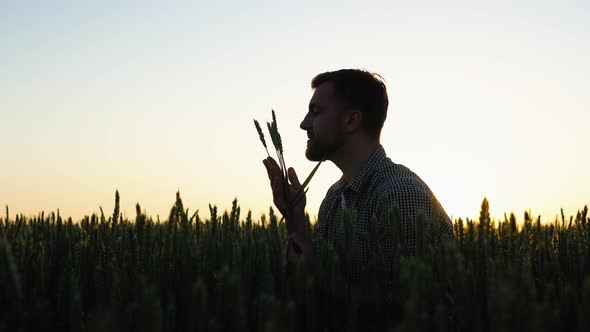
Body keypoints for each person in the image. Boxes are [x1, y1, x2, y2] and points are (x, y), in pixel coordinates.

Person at [263, 69, 454, 329]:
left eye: (316, 112)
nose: (304, 123)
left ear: (351, 121)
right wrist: (296, 221)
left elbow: (408, 309)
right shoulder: (333, 197)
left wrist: (319, 274)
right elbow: (323, 296)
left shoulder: (401, 195)